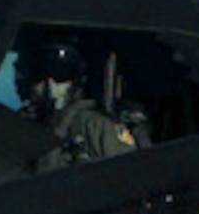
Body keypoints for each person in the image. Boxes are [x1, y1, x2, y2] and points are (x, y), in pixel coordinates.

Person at [14, 41, 138, 172]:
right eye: (38, 74)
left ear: (77, 81)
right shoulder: (21, 127)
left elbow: (130, 177)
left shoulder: (93, 125)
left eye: (60, 72)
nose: (50, 83)